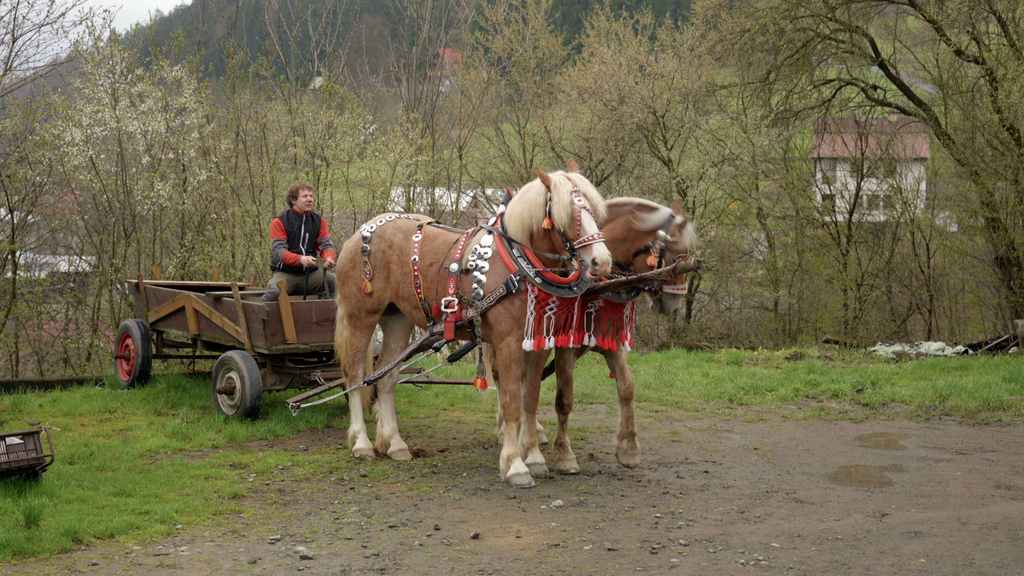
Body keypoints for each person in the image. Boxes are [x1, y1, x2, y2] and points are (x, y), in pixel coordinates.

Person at [261, 181, 337, 302]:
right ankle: (258, 317)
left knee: (335, 281)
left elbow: (326, 245)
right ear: (293, 200)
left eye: (311, 196)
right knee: (275, 291)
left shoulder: (319, 221)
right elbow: (278, 252)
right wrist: (301, 259)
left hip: (310, 275)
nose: (310, 199)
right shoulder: (280, 221)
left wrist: (329, 258)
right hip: (285, 274)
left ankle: (327, 317)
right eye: (305, 196)